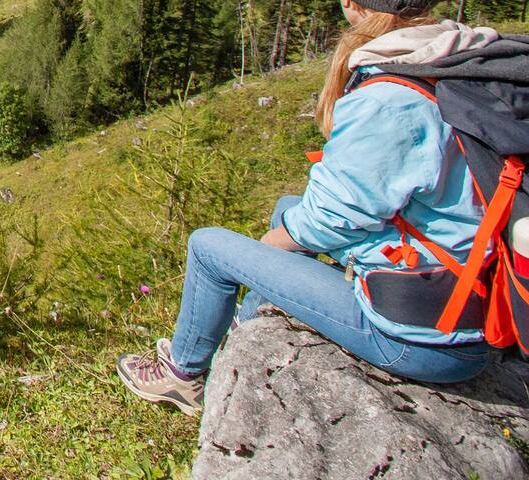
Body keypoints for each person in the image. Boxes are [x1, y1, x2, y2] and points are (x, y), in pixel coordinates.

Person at [114, 0, 503, 416]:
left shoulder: (388, 98)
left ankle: (182, 375)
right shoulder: (449, 56)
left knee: (209, 247)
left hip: (421, 338)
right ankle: (247, 333)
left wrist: (272, 244)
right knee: (287, 208)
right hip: (466, 294)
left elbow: (328, 221)